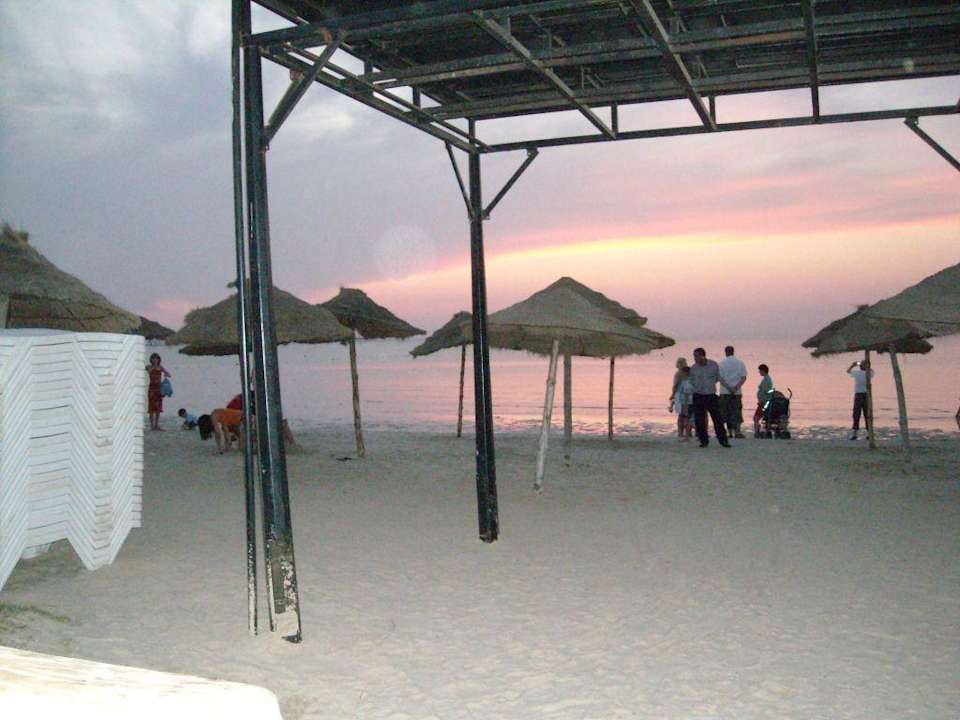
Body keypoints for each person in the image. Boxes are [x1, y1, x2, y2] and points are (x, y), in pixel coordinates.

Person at [688, 347, 730, 448]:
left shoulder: (713, 365)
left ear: (703, 355)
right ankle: (703, 440)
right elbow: (691, 381)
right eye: (694, 356)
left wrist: (728, 387)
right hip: (698, 395)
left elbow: (718, 378)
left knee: (717, 418)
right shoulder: (694, 368)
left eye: (697, 356)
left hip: (711, 395)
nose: (695, 358)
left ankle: (723, 440)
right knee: (700, 420)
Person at [717, 345, 747, 438]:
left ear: (726, 352)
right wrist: (736, 387)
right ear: (733, 352)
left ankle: (728, 432)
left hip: (725, 391)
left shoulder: (721, 363)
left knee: (725, 412)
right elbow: (743, 377)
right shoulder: (740, 363)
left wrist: (728, 388)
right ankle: (737, 432)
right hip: (737, 392)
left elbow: (720, 378)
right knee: (736, 411)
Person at [847, 359, 874, 440]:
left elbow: (848, 371)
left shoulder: (868, 373)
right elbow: (848, 371)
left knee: (867, 415)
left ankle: (869, 434)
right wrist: (854, 365)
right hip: (859, 394)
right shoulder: (857, 372)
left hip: (865, 394)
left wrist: (854, 365)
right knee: (856, 415)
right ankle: (855, 434)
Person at [144, 353, 171, 431]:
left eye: (156, 358)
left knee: (158, 408)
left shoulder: (160, 367)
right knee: (151, 408)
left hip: (159, 389)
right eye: (153, 358)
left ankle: (156, 425)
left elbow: (169, 375)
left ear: (159, 359)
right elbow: (148, 371)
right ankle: (152, 425)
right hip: (152, 388)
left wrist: (166, 373)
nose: (155, 360)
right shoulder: (148, 366)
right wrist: (154, 367)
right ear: (151, 359)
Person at [669, 365, 693, 441]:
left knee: (686, 419)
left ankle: (686, 437)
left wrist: (685, 405)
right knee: (687, 419)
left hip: (686, 403)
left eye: (682, 373)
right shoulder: (692, 381)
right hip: (691, 402)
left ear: (685, 373)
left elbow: (686, 394)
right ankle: (687, 435)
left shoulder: (685, 382)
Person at [753, 364, 773, 437]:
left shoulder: (767, 380)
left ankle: (756, 433)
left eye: (760, 370)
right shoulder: (766, 379)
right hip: (763, 402)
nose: (759, 372)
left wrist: (762, 401)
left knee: (756, 418)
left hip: (763, 403)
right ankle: (758, 432)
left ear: (763, 370)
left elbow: (767, 392)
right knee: (757, 418)